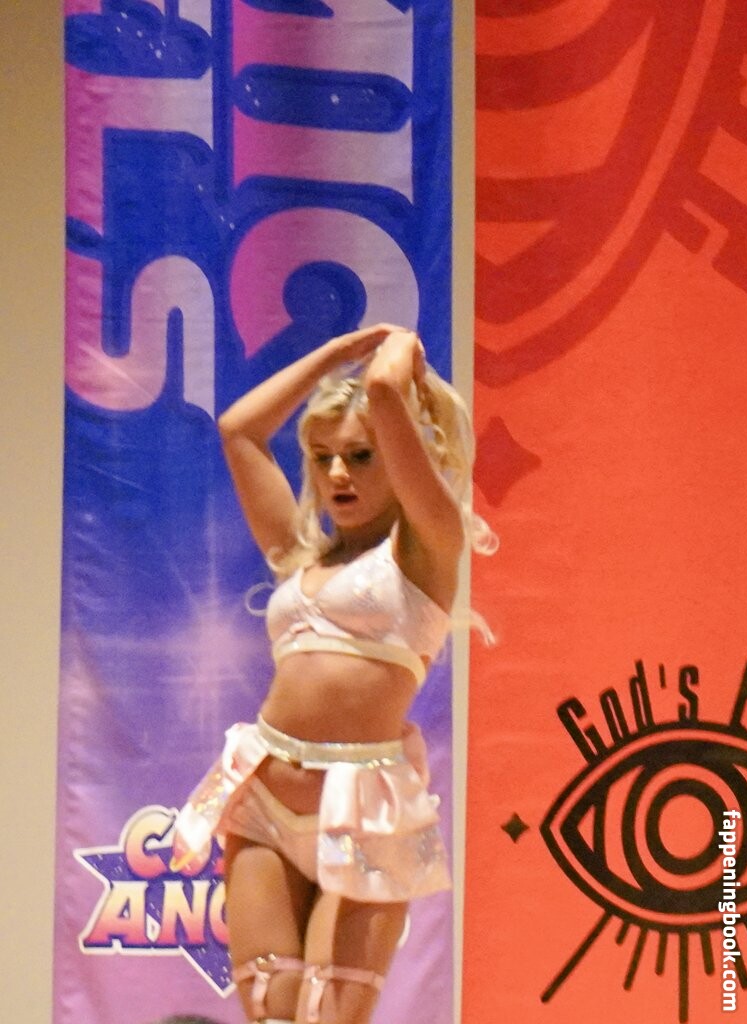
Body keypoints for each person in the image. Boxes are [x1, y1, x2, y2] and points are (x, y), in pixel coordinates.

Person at [171, 325, 495, 1024]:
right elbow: (239, 431)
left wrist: (395, 353)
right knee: (272, 1008)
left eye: (361, 455)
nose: (339, 473)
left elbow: (382, 387)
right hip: (265, 798)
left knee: (329, 1014)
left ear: (403, 456)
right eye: (323, 459)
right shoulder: (300, 553)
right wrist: (332, 353)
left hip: (365, 806)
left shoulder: (427, 546)